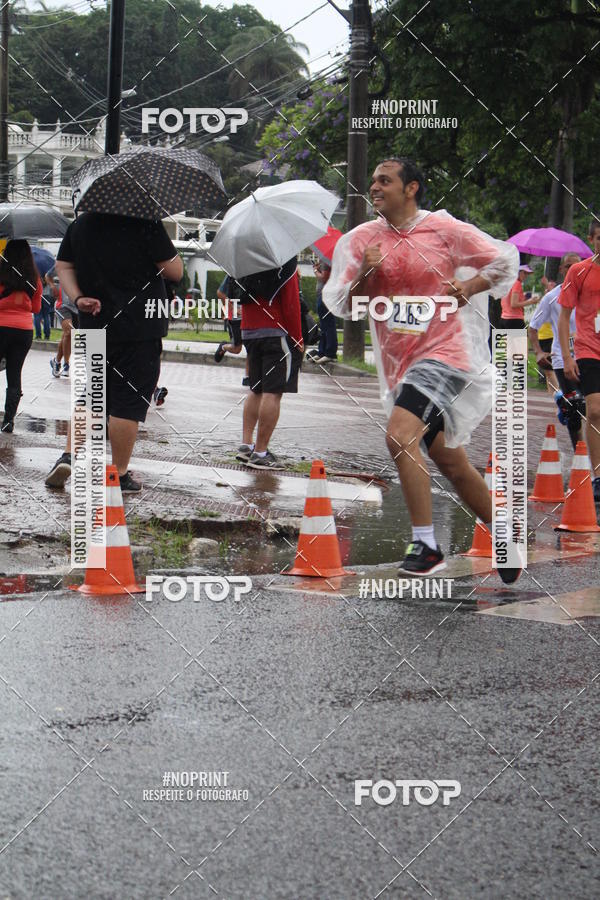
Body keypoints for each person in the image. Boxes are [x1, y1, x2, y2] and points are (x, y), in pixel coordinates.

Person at [323, 157, 520, 579]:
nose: (374, 187)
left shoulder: (444, 230)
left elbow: (504, 260)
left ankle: (427, 545)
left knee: (398, 436)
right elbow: (342, 304)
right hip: (400, 364)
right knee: (449, 461)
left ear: (411, 188)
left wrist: (469, 285)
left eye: (385, 181)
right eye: (372, 180)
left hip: (445, 354)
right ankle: (507, 536)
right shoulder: (362, 240)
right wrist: (365, 274)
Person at [44, 213, 182, 492]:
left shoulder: (81, 224)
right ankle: (118, 473)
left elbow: (63, 265)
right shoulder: (145, 223)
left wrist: (79, 297)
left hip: (94, 321)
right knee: (128, 402)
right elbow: (175, 271)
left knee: (92, 395)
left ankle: (69, 455)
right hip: (139, 327)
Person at [236, 258, 303, 470]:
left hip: (249, 330)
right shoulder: (284, 261)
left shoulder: (246, 260)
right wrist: (298, 338)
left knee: (256, 389)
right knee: (272, 392)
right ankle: (261, 452)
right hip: (275, 331)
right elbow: (291, 304)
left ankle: (246, 445)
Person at [558, 220, 600, 503]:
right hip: (589, 349)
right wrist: (567, 355)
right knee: (595, 411)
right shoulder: (579, 271)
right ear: (591, 240)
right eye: (599, 238)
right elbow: (563, 318)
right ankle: (597, 476)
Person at [529, 253, 582, 447]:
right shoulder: (551, 298)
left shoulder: (590, 293)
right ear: (561, 270)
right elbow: (533, 327)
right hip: (562, 358)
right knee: (575, 408)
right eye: (568, 267)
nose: (572, 270)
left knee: (593, 406)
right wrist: (538, 352)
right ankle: (580, 454)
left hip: (588, 356)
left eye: (576, 266)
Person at [0, 240, 42, 432]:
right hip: (24, 331)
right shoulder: (34, 279)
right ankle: (9, 421)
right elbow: (36, 308)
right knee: (14, 375)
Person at [50, 273, 79, 377]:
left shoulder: (87, 266)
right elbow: (48, 275)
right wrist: (53, 286)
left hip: (78, 307)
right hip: (62, 305)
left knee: (68, 336)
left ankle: (56, 361)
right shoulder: (64, 262)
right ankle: (66, 365)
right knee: (69, 332)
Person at [313, 261, 338, 363]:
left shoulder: (326, 261)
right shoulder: (324, 261)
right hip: (323, 295)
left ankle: (330, 353)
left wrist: (315, 270)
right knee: (324, 325)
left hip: (326, 295)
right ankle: (322, 351)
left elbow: (324, 278)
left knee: (328, 324)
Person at [33, 272, 56, 340]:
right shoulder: (48, 273)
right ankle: (47, 335)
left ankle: (38, 335)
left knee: (37, 316)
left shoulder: (37, 273)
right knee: (46, 316)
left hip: (38, 295)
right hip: (47, 296)